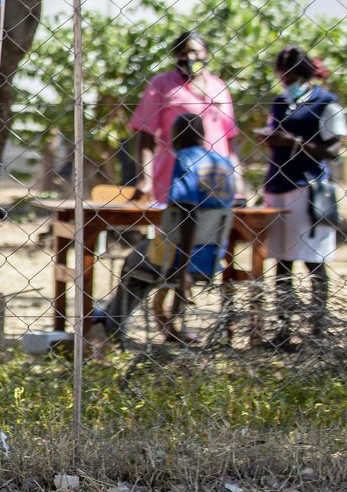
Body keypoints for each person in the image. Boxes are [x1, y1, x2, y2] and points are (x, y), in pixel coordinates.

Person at [88, 113, 236, 344]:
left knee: (133, 261)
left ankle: (112, 325)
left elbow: (186, 213)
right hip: (211, 257)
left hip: (178, 257)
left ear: (175, 139)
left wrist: (183, 268)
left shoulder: (185, 158)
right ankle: (163, 323)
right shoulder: (224, 162)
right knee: (144, 263)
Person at [260, 46, 347, 348]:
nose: (287, 81)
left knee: (313, 261)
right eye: (283, 76)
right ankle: (282, 331)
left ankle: (317, 332)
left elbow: (334, 150)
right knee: (282, 262)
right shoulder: (281, 101)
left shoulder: (326, 103)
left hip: (308, 188)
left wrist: (295, 142)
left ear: (305, 73)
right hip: (277, 185)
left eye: (292, 75)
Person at [130, 30, 239, 204]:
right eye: (184, 53)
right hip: (176, 173)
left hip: (214, 176)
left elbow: (230, 140)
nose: (190, 57)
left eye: (195, 52)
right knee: (176, 223)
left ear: (205, 54)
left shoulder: (218, 87)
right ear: (176, 56)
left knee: (213, 224)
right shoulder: (161, 85)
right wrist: (145, 179)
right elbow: (146, 135)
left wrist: (237, 176)